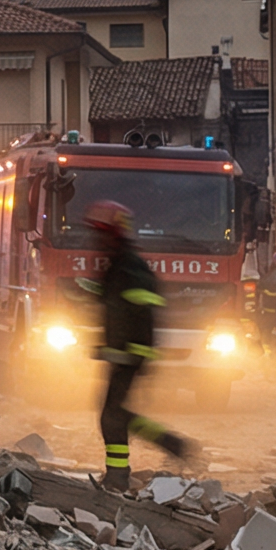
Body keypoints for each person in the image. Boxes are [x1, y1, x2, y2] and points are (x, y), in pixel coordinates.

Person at [87, 200, 196, 491]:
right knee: (116, 413)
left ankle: (119, 476)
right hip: (124, 355)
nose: (98, 239)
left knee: (112, 415)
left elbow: (142, 311)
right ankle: (170, 445)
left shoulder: (129, 265)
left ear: (116, 232)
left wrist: (135, 352)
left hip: (131, 356)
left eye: (102, 232)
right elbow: (115, 306)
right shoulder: (118, 263)